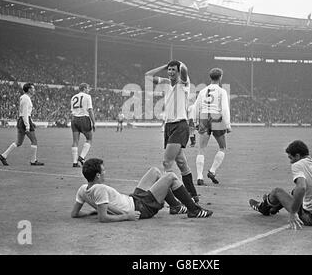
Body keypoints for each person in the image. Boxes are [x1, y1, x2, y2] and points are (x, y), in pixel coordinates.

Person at [71, 158, 213, 222]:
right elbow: (103, 218)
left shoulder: (83, 189)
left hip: (133, 199)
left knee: (155, 171)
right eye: (103, 171)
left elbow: (74, 214)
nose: (105, 172)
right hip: (140, 207)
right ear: (97, 175)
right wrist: (127, 216)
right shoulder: (100, 188)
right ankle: (194, 210)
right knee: (170, 177)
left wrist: (93, 210)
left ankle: (175, 206)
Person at [248, 140, 312, 229]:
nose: (290, 162)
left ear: (297, 156)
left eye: (291, 158)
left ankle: (264, 207)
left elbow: (301, 188)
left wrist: (293, 213)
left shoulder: (298, 165)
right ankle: (273, 206)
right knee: (294, 192)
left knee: (277, 191)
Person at [145, 60, 200, 203]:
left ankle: (174, 202)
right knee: (181, 163)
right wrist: (163, 66)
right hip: (168, 126)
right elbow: (147, 75)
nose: (170, 72)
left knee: (166, 163)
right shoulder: (165, 82)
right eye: (169, 70)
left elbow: (185, 70)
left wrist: (180, 64)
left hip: (180, 126)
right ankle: (193, 195)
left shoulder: (183, 83)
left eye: (173, 70)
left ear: (178, 71)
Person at [194, 68, 231, 185]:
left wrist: (195, 121)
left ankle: (199, 177)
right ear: (220, 77)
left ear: (210, 77)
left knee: (201, 149)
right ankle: (212, 171)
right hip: (217, 118)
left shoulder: (202, 91)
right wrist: (228, 124)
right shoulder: (222, 91)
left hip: (204, 117)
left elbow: (196, 107)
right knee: (222, 147)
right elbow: (224, 108)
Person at [0, 83, 44, 166]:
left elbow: (25, 112)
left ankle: (3, 156)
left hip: (21, 120)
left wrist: (31, 121)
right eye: (33, 89)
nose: (34, 90)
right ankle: (33, 161)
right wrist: (28, 125)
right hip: (24, 120)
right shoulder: (26, 99)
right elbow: (25, 113)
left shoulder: (23, 98)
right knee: (34, 141)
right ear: (29, 90)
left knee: (19, 142)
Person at [70, 83, 96, 168]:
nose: (89, 90)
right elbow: (90, 110)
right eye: (88, 88)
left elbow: (72, 111)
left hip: (74, 119)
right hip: (83, 118)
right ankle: (81, 157)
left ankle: (74, 162)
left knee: (75, 141)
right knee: (89, 138)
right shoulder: (87, 96)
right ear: (84, 88)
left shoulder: (73, 97)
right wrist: (94, 122)